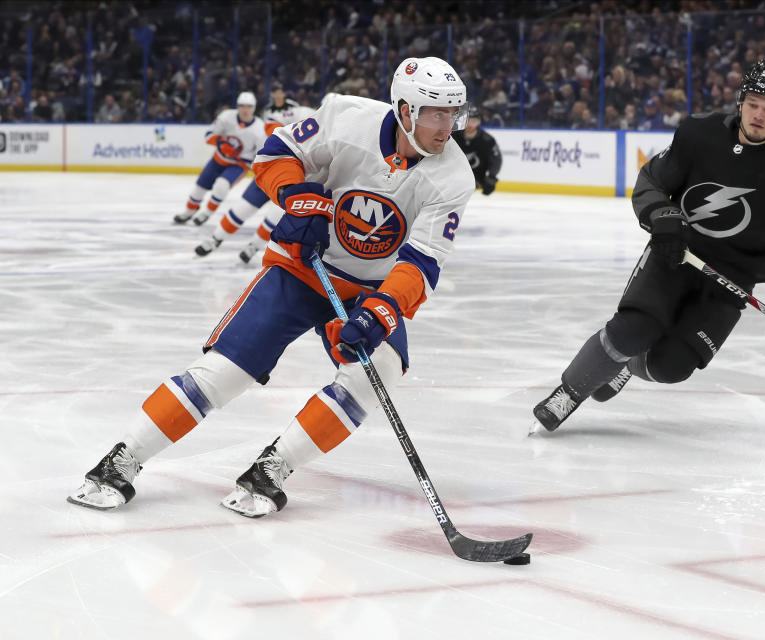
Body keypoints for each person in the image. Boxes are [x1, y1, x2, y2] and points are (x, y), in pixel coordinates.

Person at [67, 56, 475, 517]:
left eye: (453, 114)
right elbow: (276, 155)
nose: (448, 127)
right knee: (226, 372)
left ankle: (272, 469)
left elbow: (421, 261)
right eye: (437, 114)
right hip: (302, 268)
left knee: (374, 374)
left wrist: (381, 309)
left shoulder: (454, 176)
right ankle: (121, 461)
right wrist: (296, 200)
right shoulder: (345, 116)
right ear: (405, 111)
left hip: (368, 289)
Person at [532, 59, 765, 433]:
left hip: (732, 280)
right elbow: (651, 182)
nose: (759, 115)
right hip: (675, 255)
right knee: (633, 329)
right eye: (754, 104)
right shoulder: (699, 134)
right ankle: (570, 391)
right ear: (741, 101)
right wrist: (662, 217)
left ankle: (627, 364)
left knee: (671, 366)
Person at [194, 100, 319, 262]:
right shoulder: (303, 112)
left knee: (274, 219)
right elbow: (272, 119)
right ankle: (215, 239)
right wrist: (286, 141)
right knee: (242, 209)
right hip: (274, 170)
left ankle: (254, 246)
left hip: (298, 181)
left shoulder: (337, 135)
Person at [173, 92, 268, 226]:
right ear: (238, 106)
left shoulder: (260, 128)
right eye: (242, 106)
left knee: (221, 186)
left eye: (249, 106)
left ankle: (206, 214)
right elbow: (208, 135)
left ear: (254, 108)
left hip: (238, 165)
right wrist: (221, 142)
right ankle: (189, 211)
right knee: (200, 187)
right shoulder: (226, 116)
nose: (245, 110)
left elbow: (260, 154)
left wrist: (249, 162)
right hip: (218, 159)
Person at [451, 105, 502, 195]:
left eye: (474, 121)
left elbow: (496, 160)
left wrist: (491, 177)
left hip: (478, 178)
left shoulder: (487, 140)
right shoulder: (452, 136)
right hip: (454, 179)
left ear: (479, 122)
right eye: (468, 121)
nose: (470, 125)